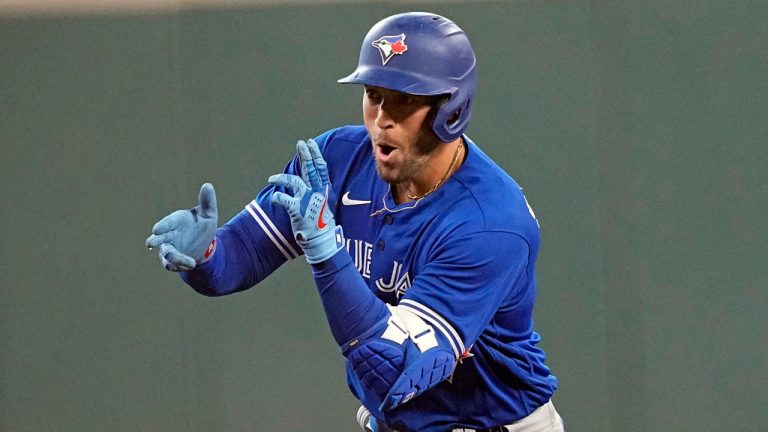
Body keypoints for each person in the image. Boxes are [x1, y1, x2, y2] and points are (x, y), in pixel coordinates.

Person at [146, 12, 564, 432]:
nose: (382, 117)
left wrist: (327, 254)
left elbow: (394, 371)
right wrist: (205, 254)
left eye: (404, 100)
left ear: (450, 109)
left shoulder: (490, 224)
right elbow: (239, 256)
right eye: (374, 94)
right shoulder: (339, 159)